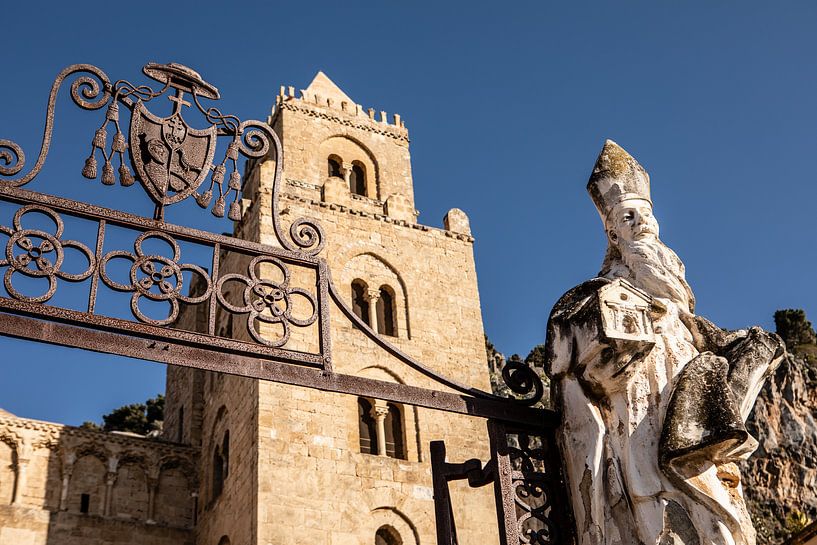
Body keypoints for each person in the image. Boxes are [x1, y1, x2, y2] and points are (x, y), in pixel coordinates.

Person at [545, 140, 784, 545]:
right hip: (635, 405)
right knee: (649, 493)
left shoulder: (691, 322)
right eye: (628, 216)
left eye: (647, 215)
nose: (641, 223)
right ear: (613, 234)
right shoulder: (598, 294)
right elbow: (578, 360)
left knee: (715, 507)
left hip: (683, 396)